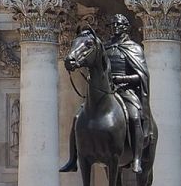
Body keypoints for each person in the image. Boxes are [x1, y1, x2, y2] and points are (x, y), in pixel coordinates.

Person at [60, 14, 152, 174]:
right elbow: (94, 64)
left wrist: (122, 78)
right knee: (77, 117)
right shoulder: (105, 47)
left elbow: (142, 76)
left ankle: (137, 158)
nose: (115, 27)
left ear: (126, 27)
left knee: (134, 116)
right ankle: (72, 160)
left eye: (118, 24)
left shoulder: (134, 48)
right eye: (112, 25)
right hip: (106, 91)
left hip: (126, 90)